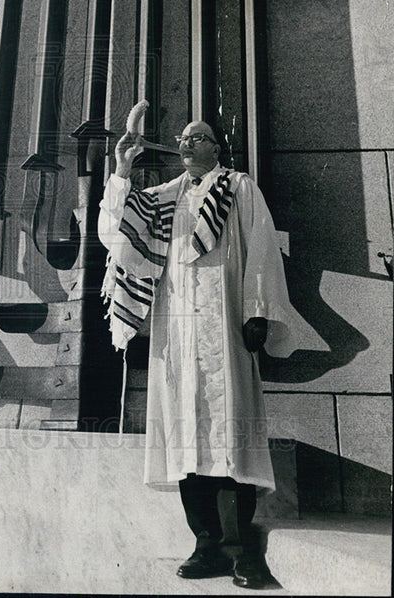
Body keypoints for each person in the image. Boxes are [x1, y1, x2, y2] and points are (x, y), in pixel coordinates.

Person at [98, 117, 297, 590]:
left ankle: (245, 549)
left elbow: (264, 248)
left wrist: (258, 309)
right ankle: (206, 543)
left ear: (217, 147)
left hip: (225, 330)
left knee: (230, 437)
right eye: (183, 139)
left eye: (199, 138)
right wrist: (123, 169)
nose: (188, 144)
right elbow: (116, 231)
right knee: (187, 441)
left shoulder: (238, 187)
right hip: (179, 337)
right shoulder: (167, 196)